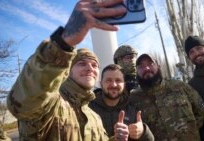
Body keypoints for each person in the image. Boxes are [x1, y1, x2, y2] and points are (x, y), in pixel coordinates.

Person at [7, 0, 130, 140]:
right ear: (69, 70)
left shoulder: (94, 117)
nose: (90, 68)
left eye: (94, 65)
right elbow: (24, 103)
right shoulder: (53, 105)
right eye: (82, 63)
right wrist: (63, 42)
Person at [130, 53, 204, 141]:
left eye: (150, 64)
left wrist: (192, 132)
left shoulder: (179, 86)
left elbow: (200, 108)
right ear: (137, 72)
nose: (146, 68)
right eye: (141, 66)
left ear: (158, 66)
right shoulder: (134, 99)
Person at [89, 64, 154, 141]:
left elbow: (151, 139)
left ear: (124, 84)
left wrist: (143, 132)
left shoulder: (134, 107)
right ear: (101, 83)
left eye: (118, 80)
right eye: (108, 80)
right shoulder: (89, 108)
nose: (113, 84)